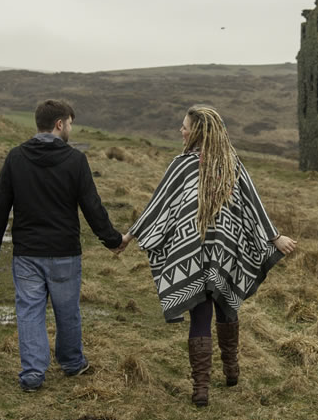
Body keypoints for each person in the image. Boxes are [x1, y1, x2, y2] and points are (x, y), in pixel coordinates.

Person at [117, 105, 296, 407]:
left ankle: (203, 388)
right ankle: (229, 372)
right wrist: (273, 236)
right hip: (226, 250)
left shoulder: (198, 164)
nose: (181, 130)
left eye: (185, 126)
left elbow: (159, 205)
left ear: (197, 131)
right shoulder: (228, 163)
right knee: (226, 308)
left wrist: (130, 235)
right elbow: (161, 202)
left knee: (203, 316)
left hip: (193, 253)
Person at [0, 99, 123, 392]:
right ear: (59, 124)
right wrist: (113, 240)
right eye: (70, 123)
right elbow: (92, 207)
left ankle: (33, 374)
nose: (71, 128)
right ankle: (72, 363)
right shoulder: (75, 161)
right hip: (64, 252)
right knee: (67, 309)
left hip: (27, 253)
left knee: (29, 312)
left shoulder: (16, 158)